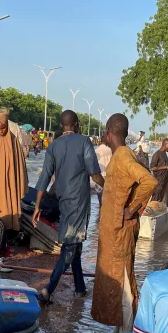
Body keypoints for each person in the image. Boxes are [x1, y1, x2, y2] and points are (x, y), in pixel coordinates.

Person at [92, 114, 157, 333]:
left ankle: (127, 332)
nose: (103, 136)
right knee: (117, 277)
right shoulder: (120, 155)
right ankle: (121, 325)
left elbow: (149, 181)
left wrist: (131, 209)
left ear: (110, 132)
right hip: (114, 230)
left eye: (104, 132)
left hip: (120, 231)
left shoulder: (122, 157)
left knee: (123, 279)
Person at [34, 110, 104, 302]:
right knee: (71, 246)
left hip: (62, 200)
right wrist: (109, 187)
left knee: (75, 244)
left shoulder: (53, 145)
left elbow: (44, 177)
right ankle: (49, 289)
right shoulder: (84, 142)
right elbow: (94, 173)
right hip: (79, 202)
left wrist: (37, 205)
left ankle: (80, 288)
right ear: (76, 124)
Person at [150, 138, 168, 203]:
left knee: (162, 202)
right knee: (155, 200)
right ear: (165, 144)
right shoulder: (157, 154)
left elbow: (164, 167)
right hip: (158, 182)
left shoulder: (164, 154)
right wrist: (166, 167)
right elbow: (152, 168)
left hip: (165, 181)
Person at [94, 137, 113, 206]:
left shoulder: (96, 150)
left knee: (99, 192)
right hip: (107, 173)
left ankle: (100, 204)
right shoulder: (109, 150)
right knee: (106, 192)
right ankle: (105, 205)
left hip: (99, 174)